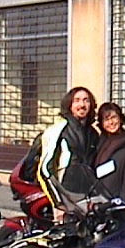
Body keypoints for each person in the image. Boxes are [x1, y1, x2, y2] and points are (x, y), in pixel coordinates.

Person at [37, 86, 99, 219]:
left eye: (86, 100)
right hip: (65, 196)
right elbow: (45, 169)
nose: (82, 105)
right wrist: (58, 203)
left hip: (86, 197)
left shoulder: (93, 133)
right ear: (69, 104)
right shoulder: (58, 130)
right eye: (77, 100)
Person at [93, 102, 125, 201]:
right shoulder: (99, 141)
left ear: (120, 118)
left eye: (114, 117)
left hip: (119, 199)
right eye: (106, 119)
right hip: (100, 198)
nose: (111, 122)